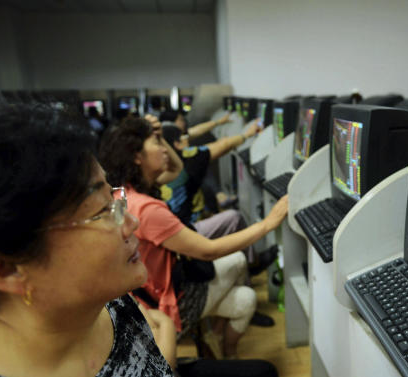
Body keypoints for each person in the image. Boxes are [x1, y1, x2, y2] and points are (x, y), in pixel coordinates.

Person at [0, 102, 279, 377]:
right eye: (102, 212)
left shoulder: (110, 300)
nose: (130, 222)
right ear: (6, 269)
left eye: (115, 201)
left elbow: (156, 326)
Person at [98, 117, 288, 359]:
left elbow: (177, 169)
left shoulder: (127, 192)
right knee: (239, 261)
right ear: (137, 156)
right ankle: (223, 347)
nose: (164, 149)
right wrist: (268, 224)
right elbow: (208, 250)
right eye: (156, 142)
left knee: (246, 299)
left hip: (156, 292)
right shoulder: (147, 209)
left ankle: (222, 346)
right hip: (171, 303)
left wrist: (159, 136)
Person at [159, 118, 279, 278]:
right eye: (183, 138)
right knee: (234, 218)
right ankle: (252, 264)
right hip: (186, 233)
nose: (187, 139)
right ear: (177, 144)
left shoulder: (155, 171)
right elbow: (222, 146)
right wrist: (247, 135)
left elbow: (194, 131)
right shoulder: (188, 159)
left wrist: (218, 122)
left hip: (177, 233)